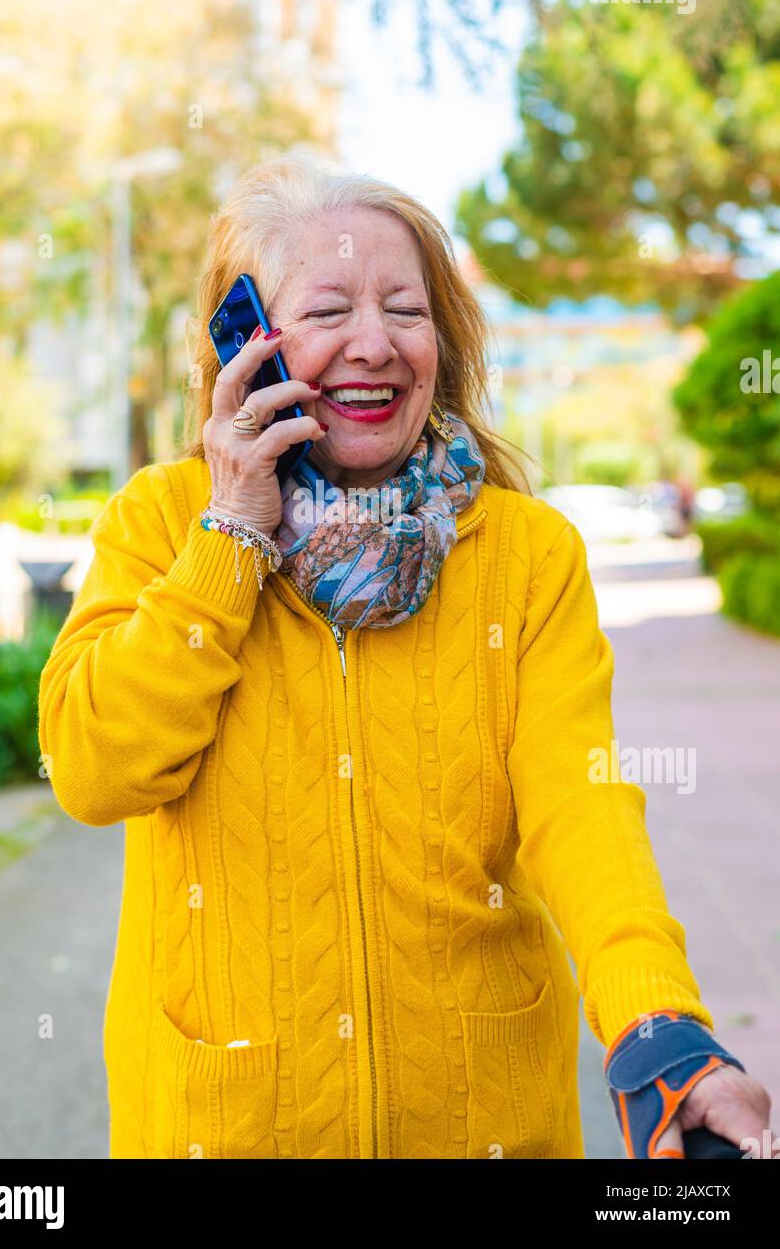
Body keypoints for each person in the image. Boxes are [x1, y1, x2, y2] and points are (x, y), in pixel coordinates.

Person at [38, 149, 771, 1160]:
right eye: (329, 310)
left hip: (484, 1127)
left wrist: (658, 1028)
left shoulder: (526, 553)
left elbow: (582, 807)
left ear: (445, 340)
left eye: (406, 309)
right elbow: (90, 768)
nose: (374, 344)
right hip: (227, 1124)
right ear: (244, 342)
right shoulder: (159, 526)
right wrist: (230, 540)